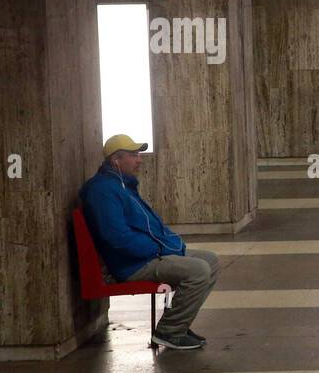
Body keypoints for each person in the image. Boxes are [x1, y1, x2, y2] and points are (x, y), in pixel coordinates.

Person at [79, 135, 219, 350]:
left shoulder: (122, 185)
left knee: (210, 260)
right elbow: (117, 238)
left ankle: (179, 323)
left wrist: (168, 243)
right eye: (134, 155)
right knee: (198, 270)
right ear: (116, 159)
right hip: (131, 265)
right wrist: (158, 249)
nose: (139, 160)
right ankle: (170, 332)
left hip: (146, 256)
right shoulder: (102, 191)